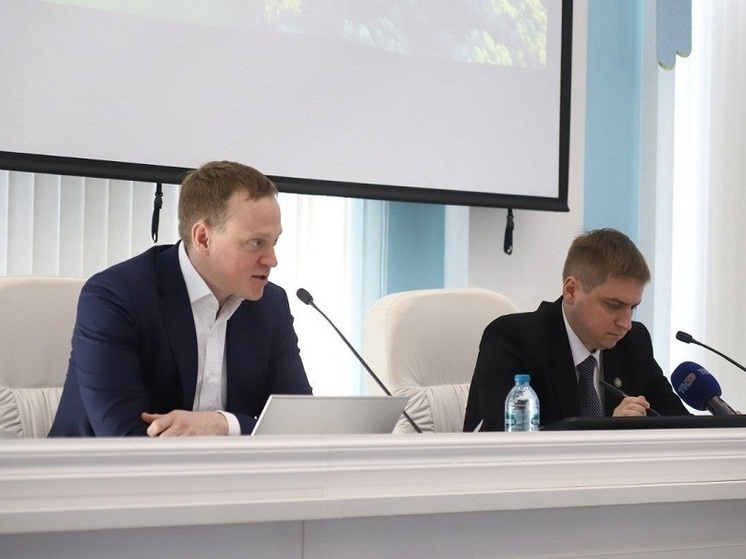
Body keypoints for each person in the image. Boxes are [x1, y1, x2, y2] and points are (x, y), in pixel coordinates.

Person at [49, 161, 312, 437]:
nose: (272, 260)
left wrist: (223, 424)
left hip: (220, 467)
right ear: (203, 238)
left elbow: (300, 423)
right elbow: (124, 438)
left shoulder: (270, 305)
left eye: (274, 242)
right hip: (96, 465)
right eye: (256, 243)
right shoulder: (116, 298)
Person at [463, 228, 688, 432]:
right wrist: (609, 432)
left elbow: (682, 426)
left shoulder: (633, 342)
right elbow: (504, 439)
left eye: (633, 307)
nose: (626, 323)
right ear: (571, 291)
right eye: (613, 305)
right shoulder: (513, 339)